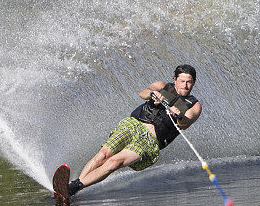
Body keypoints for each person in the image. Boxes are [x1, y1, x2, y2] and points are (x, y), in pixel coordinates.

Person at [68, 64, 203, 196]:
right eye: (182, 81)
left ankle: (75, 187)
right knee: (102, 155)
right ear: (175, 79)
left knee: (114, 162)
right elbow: (143, 93)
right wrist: (152, 94)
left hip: (150, 142)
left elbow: (185, 123)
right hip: (133, 125)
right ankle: (73, 189)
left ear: (194, 82)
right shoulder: (162, 86)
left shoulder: (194, 105)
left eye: (189, 82)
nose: (185, 85)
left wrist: (178, 114)